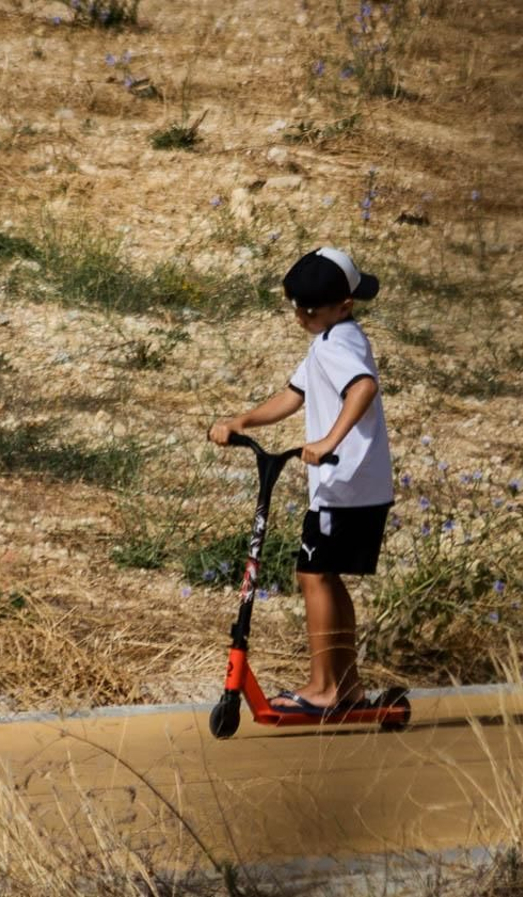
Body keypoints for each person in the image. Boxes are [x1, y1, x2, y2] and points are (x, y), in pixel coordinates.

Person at [207, 247, 394, 715]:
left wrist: (330, 439)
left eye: (310, 310)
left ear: (345, 305)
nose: (300, 318)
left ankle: (325, 688)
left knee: (313, 575)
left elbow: (364, 387)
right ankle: (344, 687)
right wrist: (241, 420)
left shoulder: (342, 342)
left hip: (344, 484)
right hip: (348, 485)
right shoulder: (327, 340)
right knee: (324, 577)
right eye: (296, 308)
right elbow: (293, 394)